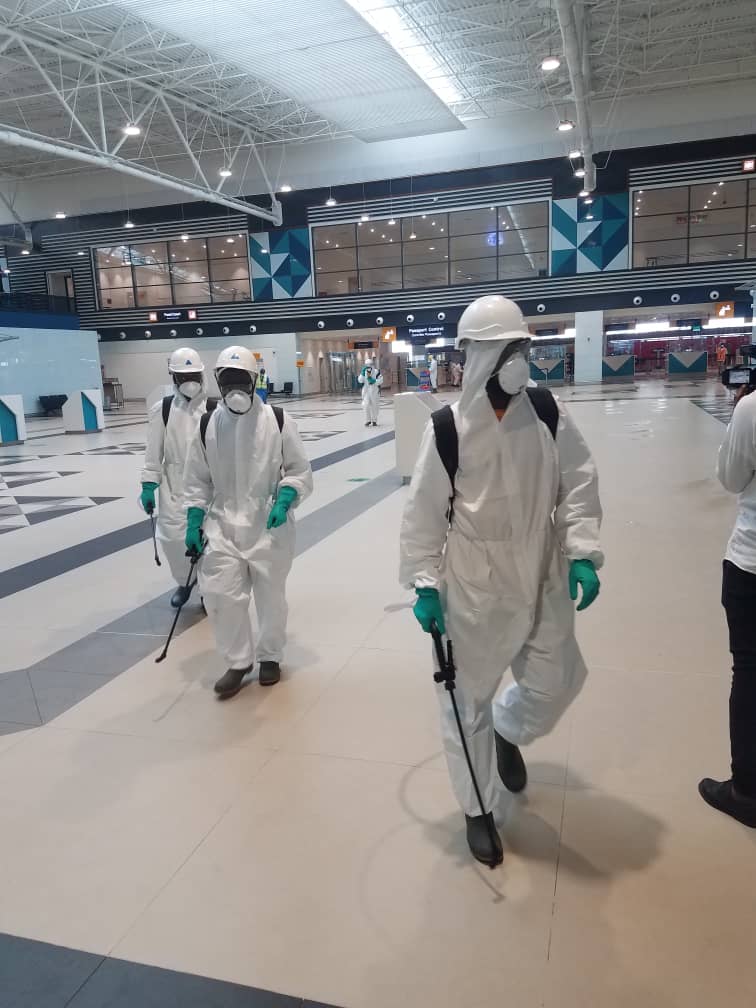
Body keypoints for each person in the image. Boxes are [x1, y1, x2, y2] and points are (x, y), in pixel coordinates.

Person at [400, 294, 603, 867]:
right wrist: (424, 585)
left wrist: (582, 551)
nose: (522, 360)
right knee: (465, 702)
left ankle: (509, 731)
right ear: (483, 355)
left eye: (524, 349)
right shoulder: (448, 428)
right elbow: (422, 517)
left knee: (557, 680)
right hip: (475, 585)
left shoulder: (545, 411)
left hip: (540, 572)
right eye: (512, 350)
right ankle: (478, 809)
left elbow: (579, 482)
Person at [183, 346, 313, 699]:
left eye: (242, 381)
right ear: (218, 384)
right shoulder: (207, 424)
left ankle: (270, 656)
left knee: (270, 597)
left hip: (267, 523)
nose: (235, 390)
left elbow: (300, 470)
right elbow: (196, 479)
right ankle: (238, 662)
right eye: (228, 383)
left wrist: (286, 496)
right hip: (222, 523)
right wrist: (194, 516)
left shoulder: (279, 420)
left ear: (255, 381)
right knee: (221, 595)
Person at [699, 382, 756, 827]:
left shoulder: (753, 408)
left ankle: (747, 791)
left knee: (751, 669)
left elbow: (731, 477)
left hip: (752, 563)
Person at [140, 347, 208, 608]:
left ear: (201, 374)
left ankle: (206, 591)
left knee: (208, 541)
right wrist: (148, 485)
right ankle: (184, 581)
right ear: (174, 378)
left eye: (193, 374)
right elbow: (152, 451)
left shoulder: (214, 407)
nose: (189, 381)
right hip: (173, 486)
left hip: (207, 484)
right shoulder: (163, 409)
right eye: (183, 376)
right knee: (171, 539)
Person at [358, 362, 383, 426]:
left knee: (375, 406)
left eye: (370, 365)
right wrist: (362, 374)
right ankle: (368, 420)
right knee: (365, 405)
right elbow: (360, 380)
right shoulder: (364, 372)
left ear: (372, 365)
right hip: (366, 391)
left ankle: (374, 420)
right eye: (367, 365)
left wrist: (374, 381)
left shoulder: (376, 372)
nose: (368, 367)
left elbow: (381, 380)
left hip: (374, 390)